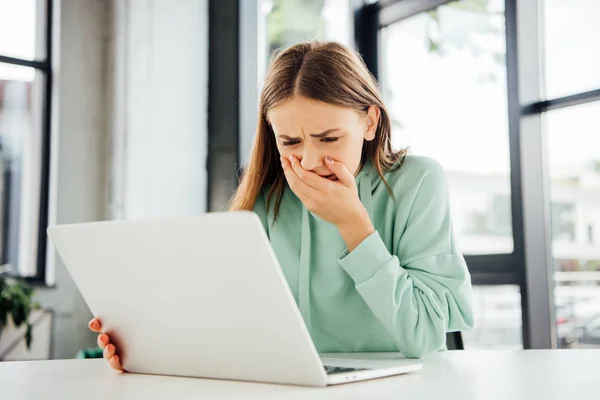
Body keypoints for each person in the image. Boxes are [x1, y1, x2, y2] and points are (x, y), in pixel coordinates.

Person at [90, 41, 474, 371]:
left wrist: (354, 225)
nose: (308, 161)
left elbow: (424, 335)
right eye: (290, 142)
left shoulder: (418, 182)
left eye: (329, 138)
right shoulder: (264, 199)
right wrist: (147, 349)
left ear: (370, 123)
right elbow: (232, 328)